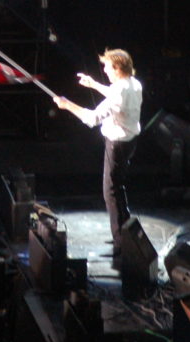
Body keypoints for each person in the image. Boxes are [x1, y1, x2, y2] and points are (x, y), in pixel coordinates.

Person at [53, 48, 143, 262]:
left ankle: (122, 244)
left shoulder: (118, 92)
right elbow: (115, 93)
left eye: (107, 66)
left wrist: (67, 105)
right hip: (130, 141)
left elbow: (92, 119)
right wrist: (93, 84)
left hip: (117, 145)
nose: (104, 70)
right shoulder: (134, 83)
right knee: (117, 188)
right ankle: (126, 231)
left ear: (118, 68)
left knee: (110, 192)